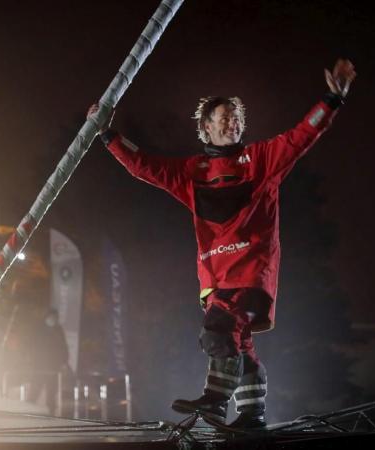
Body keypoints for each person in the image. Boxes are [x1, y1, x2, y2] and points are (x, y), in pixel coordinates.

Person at [87, 59, 356, 429]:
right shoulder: (192, 173)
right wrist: (108, 136)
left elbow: (301, 136)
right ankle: (252, 415)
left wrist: (331, 99)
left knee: (217, 331)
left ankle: (214, 401)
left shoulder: (261, 160)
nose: (233, 123)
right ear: (206, 128)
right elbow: (143, 165)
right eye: (225, 117)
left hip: (252, 277)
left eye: (237, 118)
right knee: (240, 347)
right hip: (214, 279)